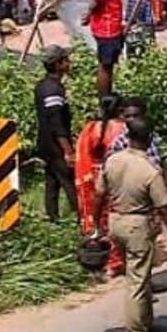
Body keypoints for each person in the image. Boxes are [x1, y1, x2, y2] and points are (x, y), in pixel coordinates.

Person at [91, 117, 167, 332]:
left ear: (128, 137)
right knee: (137, 283)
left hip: (115, 221)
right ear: (149, 138)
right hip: (138, 226)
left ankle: (148, 326)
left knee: (140, 277)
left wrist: (97, 225)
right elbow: (165, 208)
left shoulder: (112, 160)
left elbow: (99, 195)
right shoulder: (149, 171)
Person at [74, 94, 127, 277]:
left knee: (99, 220)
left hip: (94, 178)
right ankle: (117, 260)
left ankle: (102, 261)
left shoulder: (90, 129)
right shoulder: (122, 129)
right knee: (117, 218)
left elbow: (82, 155)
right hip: (116, 177)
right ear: (120, 110)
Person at [35, 45, 79, 221]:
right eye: (66, 60)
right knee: (69, 181)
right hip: (55, 145)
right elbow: (56, 123)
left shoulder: (43, 85)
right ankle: (83, 219)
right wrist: (68, 151)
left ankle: (52, 216)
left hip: (45, 143)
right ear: (58, 64)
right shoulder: (53, 90)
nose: (69, 63)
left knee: (52, 180)